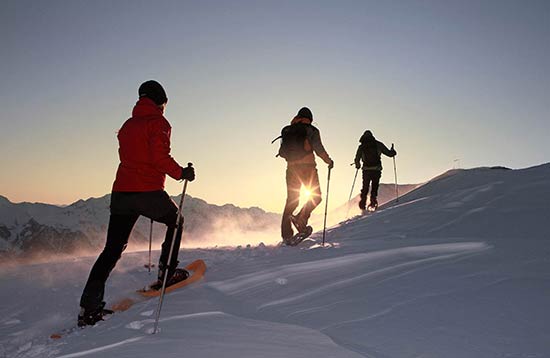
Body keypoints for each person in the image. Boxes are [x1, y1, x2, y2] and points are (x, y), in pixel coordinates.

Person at [78, 80, 195, 327]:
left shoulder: (128, 124)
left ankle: (89, 308)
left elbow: (132, 155)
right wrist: (181, 172)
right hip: (148, 191)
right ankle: (167, 271)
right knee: (176, 221)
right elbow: (158, 157)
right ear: (160, 100)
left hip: (121, 191)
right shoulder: (158, 123)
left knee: (112, 249)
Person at [278, 107, 333, 244]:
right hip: (307, 168)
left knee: (292, 200)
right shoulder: (311, 130)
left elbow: (282, 152)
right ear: (310, 118)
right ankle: (301, 219)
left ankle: (286, 235)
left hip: (291, 169)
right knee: (316, 196)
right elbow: (319, 148)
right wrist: (329, 161)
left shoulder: (287, 130)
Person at [354, 130, 396, 210]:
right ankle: (373, 202)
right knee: (374, 186)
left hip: (366, 170)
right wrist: (393, 152)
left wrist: (357, 165)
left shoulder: (362, 146)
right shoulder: (378, 144)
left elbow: (357, 158)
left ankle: (363, 203)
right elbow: (389, 154)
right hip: (376, 169)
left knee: (365, 186)